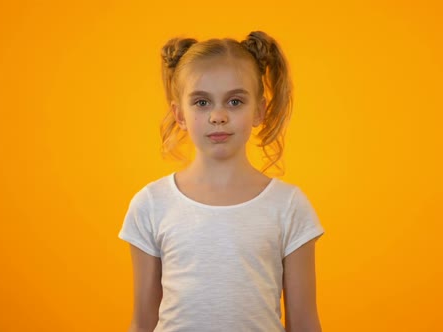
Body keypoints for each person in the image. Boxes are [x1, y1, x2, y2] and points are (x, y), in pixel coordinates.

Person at [119, 31, 325, 332]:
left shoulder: (289, 206)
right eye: (202, 102)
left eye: (235, 101)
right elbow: (142, 322)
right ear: (179, 115)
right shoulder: (151, 204)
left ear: (259, 110)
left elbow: (305, 323)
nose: (218, 116)